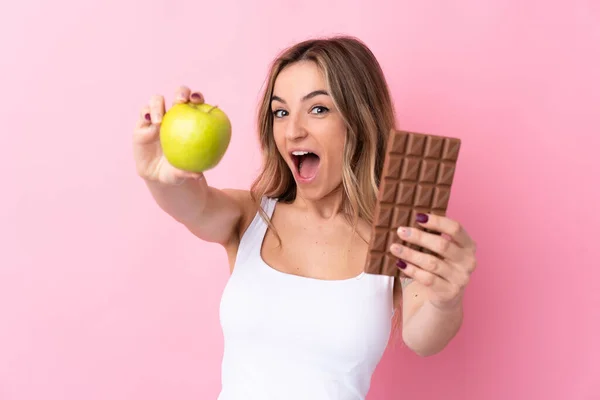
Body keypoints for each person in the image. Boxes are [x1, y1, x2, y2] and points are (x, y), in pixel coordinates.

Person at [132, 35, 478, 400]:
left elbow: (423, 338)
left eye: (318, 109)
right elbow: (190, 204)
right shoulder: (250, 217)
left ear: (358, 122)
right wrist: (158, 174)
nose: (293, 130)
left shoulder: (399, 232)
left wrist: (445, 299)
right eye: (280, 112)